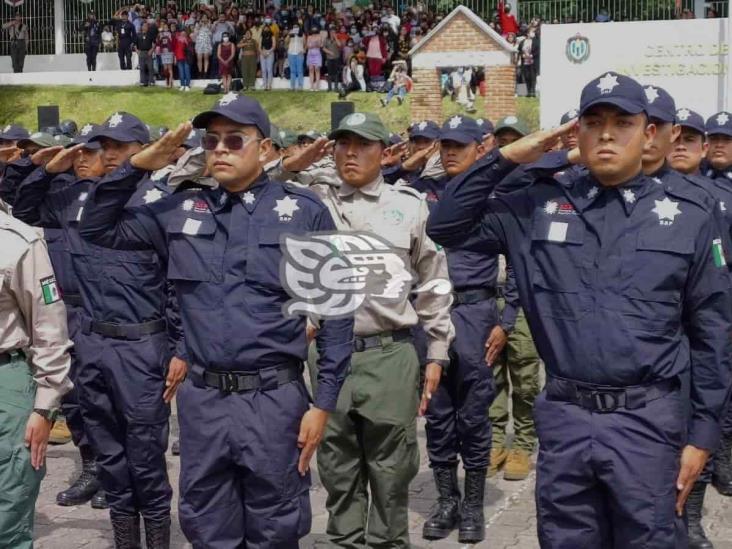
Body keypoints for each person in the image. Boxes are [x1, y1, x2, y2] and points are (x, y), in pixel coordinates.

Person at [427, 72, 732, 548]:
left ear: (649, 133)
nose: (607, 133)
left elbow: (712, 331)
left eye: (622, 122)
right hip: (568, 417)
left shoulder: (688, 214)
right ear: (577, 134)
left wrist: (703, 435)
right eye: (594, 122)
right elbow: (445, 224)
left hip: (647, 422)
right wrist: (512, 156)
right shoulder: (537, 207)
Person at [77, 94, 353, 548]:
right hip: (203, 403)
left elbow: (338, 311)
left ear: (265, 149)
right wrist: (139, 166)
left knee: (275, 525)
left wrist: (322, 404)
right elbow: (96, 228)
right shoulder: (181, 211)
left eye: (234, 139)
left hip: (273, 401)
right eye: (211, 140)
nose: (220, 149)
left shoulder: (303, 211)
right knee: (206, 523)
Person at [13, 113, 183, 549]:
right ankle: (124, 538)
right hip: (90, 339)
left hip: (142, 343)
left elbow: (179, 284)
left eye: (119, 147)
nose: (107, 154)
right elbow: (25, 208)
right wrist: (44, 170)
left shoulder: (162, 202)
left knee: (145, 454)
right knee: (108, 450)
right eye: (101, 146)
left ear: (142, 150)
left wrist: (179, 346)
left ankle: (158, 537)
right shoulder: (79, 198)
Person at [306, 112, 454, 547]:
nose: (350, 153)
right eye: (342, 144)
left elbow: (433, 279)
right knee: (337, 467)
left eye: (363, 145)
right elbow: (266, 173)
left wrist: (438, 350)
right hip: (330, 358)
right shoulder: (315, 202)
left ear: (385, 152)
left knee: (392, 474)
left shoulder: (408, 205)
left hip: (389, 353)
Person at [414, 116, 503, 543]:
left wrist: (506, 320)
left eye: (459, 145)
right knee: (437, 412)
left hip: (475, 312)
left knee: (474, 413)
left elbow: (519, 258)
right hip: (430, 313)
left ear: (479, 149)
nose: (449, 152)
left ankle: (472, 504)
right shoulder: (421, 193)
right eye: (444, 145)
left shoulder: (494, 196)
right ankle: (446, 500)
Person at [665, 107, 726, 549]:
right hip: (660, 331)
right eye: (677, 135)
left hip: (704, 321)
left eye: (692, 137)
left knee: (700, 424)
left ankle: (692, 517)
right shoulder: (646, 193)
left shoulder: (712, 197)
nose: (682, 144)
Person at [0, 206, 73, 548]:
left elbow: (50, 329)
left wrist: (45, 407)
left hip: (6, 379)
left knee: (10, 501)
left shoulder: (19, 243)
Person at [700, 111, 732, 502]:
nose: (720, 144)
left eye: (727, 138)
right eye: (715, 138)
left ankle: (725, 454)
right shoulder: (697, 187)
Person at [135, 22, 157, 87]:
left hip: (149, 52)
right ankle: (143, 82)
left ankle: (151, 82)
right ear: (142, 27)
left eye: (146, 26)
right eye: (144, 26)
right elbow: (135, 44)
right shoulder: (138, 34)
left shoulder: (151, 34)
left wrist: (151, 50)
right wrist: (137, 51)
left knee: (150, 67)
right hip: (141, 52)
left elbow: (154, 44)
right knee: (142, 68)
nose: (145, 27)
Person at [193, 13, 213, 78]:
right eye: (203, 17)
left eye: (205, 17)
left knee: (206, 58)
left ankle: (205, 73)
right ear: (201, 18)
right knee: (199, 58)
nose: (204, 18)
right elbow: (195, 33)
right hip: (199, 43)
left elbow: (211, 33)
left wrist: (208, 26)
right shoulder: (197, 24)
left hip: (207, 42)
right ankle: (200, 72)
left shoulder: (209, 24)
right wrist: (199, 26)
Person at [323, 26, 343, 92]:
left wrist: (336, 38)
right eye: (331, 32)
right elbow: (323, 48)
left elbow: (339, 45)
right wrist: (329, 52)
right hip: (329, 58)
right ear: (329, 32)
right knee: (330, 73)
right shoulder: (326, 39)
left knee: (336, 73)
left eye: (334, 32)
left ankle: (336, 88)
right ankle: (329, 88)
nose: (333, 33)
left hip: (336, 58)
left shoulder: (337, 39)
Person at [157, 23, 175, 89]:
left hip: (169, 52)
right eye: (164, 27)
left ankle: (170, 83)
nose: (165, 28)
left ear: (168, 27)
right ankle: (166, 82)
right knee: (165, 69)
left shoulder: (170, 34)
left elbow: (172, 42)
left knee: (170, 68)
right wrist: (159, 36)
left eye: (166, 27)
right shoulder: (160, 34)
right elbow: (158, 43)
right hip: (163, 52)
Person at [287, 25, 305, 90]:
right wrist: (289, 34)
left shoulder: (302, 34)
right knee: (292, 71)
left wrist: (303, 51)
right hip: (291, 53)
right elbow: (286, 42)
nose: (295, 28)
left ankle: (300, 86)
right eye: (294, 27)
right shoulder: (290, 35)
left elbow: (305, 44)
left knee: (300, 71)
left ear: (299, 28)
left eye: (296, 27)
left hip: (299, 54)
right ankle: (292, 86)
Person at [259, 23, 276, 90]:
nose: (266, 29)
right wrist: (262, 53)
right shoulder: (261, 37)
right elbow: (259, 47)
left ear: (269, 29)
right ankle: (265, 85)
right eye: (265, 28)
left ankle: (269, 85)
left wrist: (268, 52)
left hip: (270, 53)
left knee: (269, 69)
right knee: (263, 70)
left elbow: (274, 46)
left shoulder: (272, 36)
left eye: (267, 28)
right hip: (262, 53)